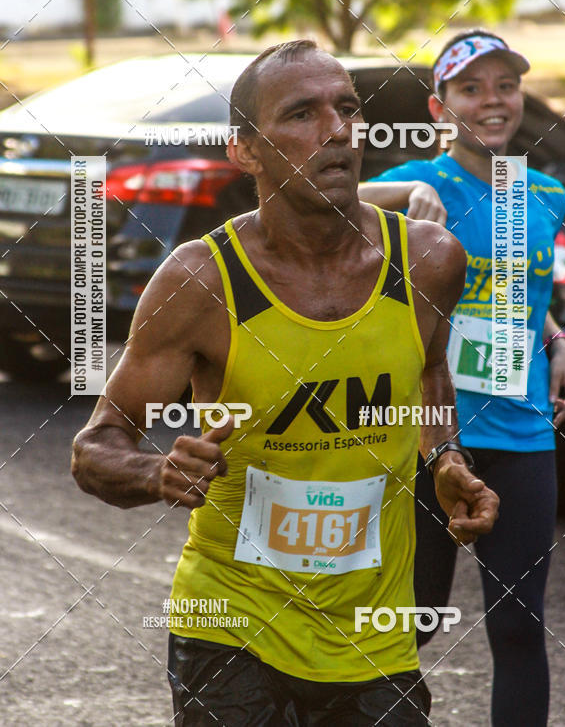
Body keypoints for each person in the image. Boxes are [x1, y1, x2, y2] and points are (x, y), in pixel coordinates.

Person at [71, 40, 499, 726]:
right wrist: (156, 474)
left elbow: (426, 371)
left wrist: (444, 456)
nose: (336, 130)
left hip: (371, 630)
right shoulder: (198, 281)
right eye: (302, 114)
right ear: (245, 151)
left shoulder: (430, 261)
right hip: (231, 619)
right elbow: (96, 445)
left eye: (347, 109)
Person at [359, 29, 565, 727]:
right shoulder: (415, 184)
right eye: (471, 88)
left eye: (505, 86)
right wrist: (398, 201)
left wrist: (558, 338)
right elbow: (319, 202)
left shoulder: (544, 193)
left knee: (518, 627)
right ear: (439, 106)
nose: (492, 101)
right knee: (411, 623)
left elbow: (521, 289)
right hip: (427, 433)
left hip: (521, 432)